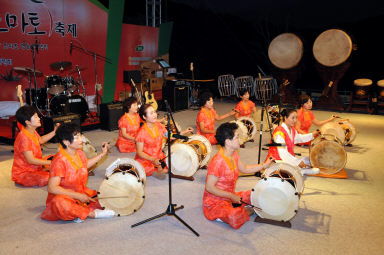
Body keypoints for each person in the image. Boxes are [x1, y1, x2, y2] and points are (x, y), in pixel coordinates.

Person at [203, 122, 275, 229]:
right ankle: (248, 209)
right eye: (237, 137)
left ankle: (245, 208)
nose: (239, 139)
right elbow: (209, 187)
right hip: (215, 202)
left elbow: (245, 168)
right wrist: (232, 196)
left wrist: (264, 165)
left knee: (256, 193)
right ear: (228, 142)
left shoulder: (234, 154)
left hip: (231, 196)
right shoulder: (218, 162)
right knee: (234, 216)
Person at [41, 123, 115, 222]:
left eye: (80, 136)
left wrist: (102, 154)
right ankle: (92, 214)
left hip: (80, 191)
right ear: (66, 142)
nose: (81, 140)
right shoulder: (59, 161)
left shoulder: (79, 152)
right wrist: (77, 196)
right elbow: (52, 188)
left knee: (104, 196)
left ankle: (78, 213)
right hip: (64, 196)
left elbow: (85, 165)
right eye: (77, 137)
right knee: (60, 204)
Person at [135, 104, 193, 177]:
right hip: (146, 158)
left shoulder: (159, 125)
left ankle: (158, 170)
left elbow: (169, 136)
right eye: (151, 113)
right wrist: (152, 159)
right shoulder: (141, 133)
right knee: (143, 168)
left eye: (155, 112)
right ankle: (154, 172)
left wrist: (184, 132)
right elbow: (139, 152)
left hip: (159, 156)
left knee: (174, 163)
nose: (154, 115)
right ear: (144, 117)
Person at [11, 105, 58, 187]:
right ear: (28, 122)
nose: (39, 119)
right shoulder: (24, 137)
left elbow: (41, 140)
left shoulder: (31, 130)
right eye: (35, 117)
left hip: (36, 166)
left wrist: (55, 132)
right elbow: (31, 160)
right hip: (24, 173)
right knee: (49, 177)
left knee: (58, 158)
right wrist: (51, 163)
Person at [266, 108, 321, 175]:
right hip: (277, 160)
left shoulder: (292, 129)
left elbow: (299, 138)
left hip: (288, 157)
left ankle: (299, 169)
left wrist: (312, 134)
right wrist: (297, 162)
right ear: (285, 118)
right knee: (301, 165)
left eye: (296, 118)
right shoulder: (279, 133)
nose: (295, 120)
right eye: (292, 118)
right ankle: (302, 171)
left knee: (308, 159)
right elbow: (283, 154)